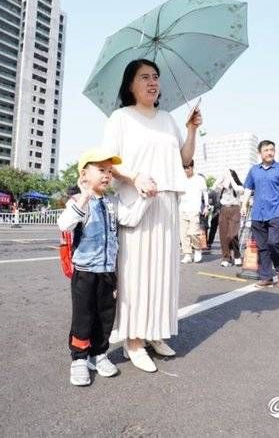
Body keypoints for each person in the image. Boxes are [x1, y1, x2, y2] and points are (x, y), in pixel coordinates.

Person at [102, 58, 202, 372]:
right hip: (138, 204)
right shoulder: (121, 118)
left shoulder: (169, 119)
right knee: (137, 274)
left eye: (156, 77)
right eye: (144, 76)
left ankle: (155, 333)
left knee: (163, 274)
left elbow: (184, 158)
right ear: (130, 84)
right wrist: (135, 178)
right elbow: (108, 161)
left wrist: (191, 129)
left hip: (167, 201)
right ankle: (133, 339)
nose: (152, 82)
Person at [58, 148, 153, 386]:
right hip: (85, 273)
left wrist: (147, 198)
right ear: (83, 174)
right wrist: (85, 196)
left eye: (110, 171)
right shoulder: (77, 202)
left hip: (108, 273)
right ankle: (79, 359)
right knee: (83, 316)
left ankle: (98, 355)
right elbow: (65, 224)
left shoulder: (112, 203)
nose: (107, 175)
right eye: (101, 170)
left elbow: (129, 219)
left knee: (105, 317)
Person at [241, 140, 279, 289]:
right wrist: (244, 204)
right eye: (266, 150)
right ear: (260, 153)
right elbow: (248, 188)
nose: (270, 152)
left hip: (276, 212)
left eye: (272, 150)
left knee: (274, 243)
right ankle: (266, 277)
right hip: (258, 213)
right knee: (263, 247)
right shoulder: (254, 170)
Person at [179, 160, 208, 264]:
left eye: (188, 168)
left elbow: (205, 193)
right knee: (183, 234)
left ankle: (197, 249)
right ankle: (187, 254)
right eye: (184, 168)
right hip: (182, 209)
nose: (186, 170)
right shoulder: (181, 179)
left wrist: (206, 207)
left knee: (192, 232)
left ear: (192, 167)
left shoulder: (199, 179)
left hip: (194, 209)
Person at [216, 169, 244, 267]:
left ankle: (237, 256)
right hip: (224, 210)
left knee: (232, 234)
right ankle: (226, 257)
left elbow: (237, 189)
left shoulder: (239, 187)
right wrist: (222, 179)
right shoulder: (222, 187)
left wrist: (231, 179)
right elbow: (214, 187)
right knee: (223, 235)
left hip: (235, 209)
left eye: (229, 176)